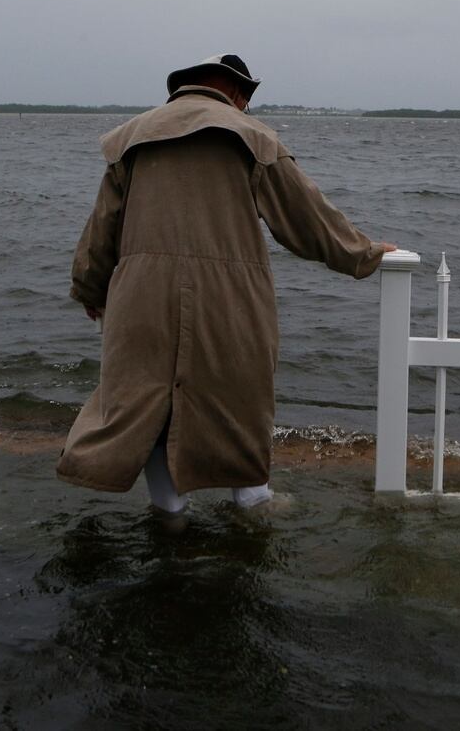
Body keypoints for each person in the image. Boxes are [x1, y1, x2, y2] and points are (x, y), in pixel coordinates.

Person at [58, 54, 397, 514]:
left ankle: (170, 512)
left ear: (185, 87)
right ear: (237, 93)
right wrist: (365, 253)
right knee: (238, 399)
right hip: (228, 297)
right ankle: (252, 502)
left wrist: (90, 289)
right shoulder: (252, 136)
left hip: (140, 297)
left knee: (148, 404)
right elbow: (307, 219)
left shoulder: (134, 136)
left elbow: (102, 228)